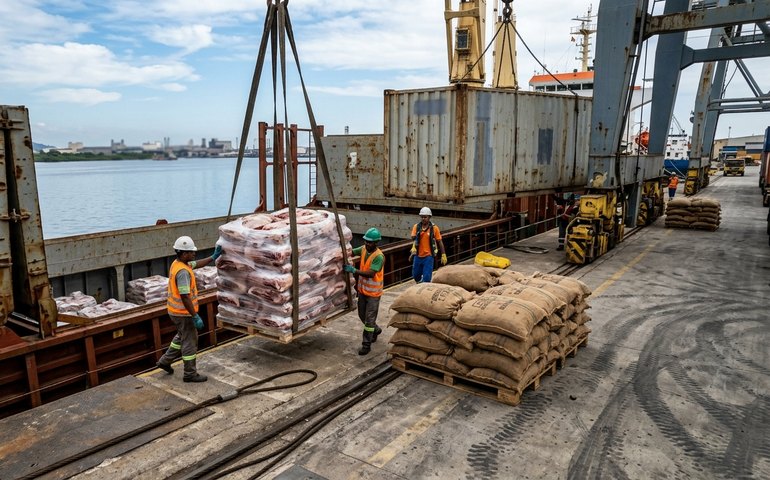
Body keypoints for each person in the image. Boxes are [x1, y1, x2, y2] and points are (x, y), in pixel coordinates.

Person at [156, 236, 222, 382]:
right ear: (184, 253)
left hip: (174, 311)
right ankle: (190, 373)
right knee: (190, 342)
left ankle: (165, 361)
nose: (194, 254)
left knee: (181, 336)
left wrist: (213, 257)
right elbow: (185, 296)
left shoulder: (178, 263)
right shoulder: (183, 273)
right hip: (183, 313)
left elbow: (196, 264)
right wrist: (194, 316)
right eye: (191, 252)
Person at [344, 228, 385, 355]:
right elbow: (351, 252)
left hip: (373, 294)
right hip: (363, 291)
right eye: (366, 241)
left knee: (369, 321)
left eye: (370, 242)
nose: (367, 244)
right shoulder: (363, 249)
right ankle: (376, 330)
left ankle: (366, 345)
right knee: (362, 315)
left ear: (376, 243)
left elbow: (371, 273)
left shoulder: (379, 256)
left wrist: (354, 270)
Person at [409, 207, 447, 283]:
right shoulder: (416, 227)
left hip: (428, 256)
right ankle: (420, 282)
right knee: (416, 276)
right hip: (418, 256)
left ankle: (424, 288)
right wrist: (418, 234)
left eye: (425, 217)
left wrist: (443, 254)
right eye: (422, 217)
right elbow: (413, 238)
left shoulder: (434, 228)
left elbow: (439, 241)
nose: (423, 219)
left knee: (426, 278)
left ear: (429, 217)